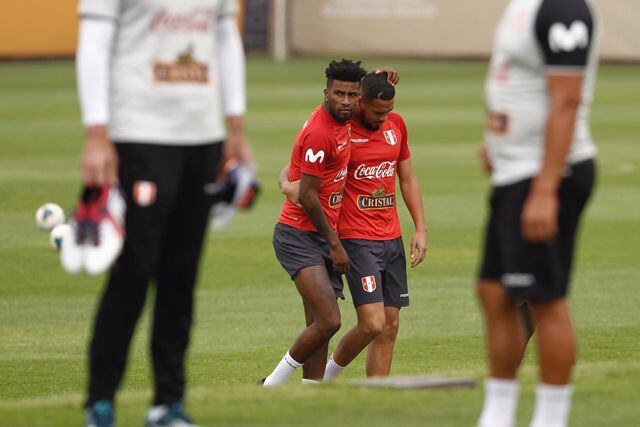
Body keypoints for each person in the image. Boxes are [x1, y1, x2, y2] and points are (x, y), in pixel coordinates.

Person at [75, 0, 252, 426]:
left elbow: (226, 37)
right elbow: (94, 41)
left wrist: (236, 127)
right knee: (132, 275)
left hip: (203, 138)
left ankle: (168, 404)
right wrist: (96, 134)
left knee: (181, 279)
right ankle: (101, 402)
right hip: (138, 134)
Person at [476, 1, 598, 426]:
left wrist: (546, 188)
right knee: (493, 292)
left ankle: (550, 418)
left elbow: (567, 99)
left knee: (544, 299)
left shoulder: (564, 8)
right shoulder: (522, 6)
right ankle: (498, 413)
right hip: (514, 170)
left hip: (546, 172)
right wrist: (497, 141)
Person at [280, 72, 428, 381]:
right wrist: (285, 183)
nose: (383, 118)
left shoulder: (396, 125)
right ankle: (326, 379)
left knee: (389, 326)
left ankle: (376, 395)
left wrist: (420, 228)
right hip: (356, 238)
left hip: (392, 237)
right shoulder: (342, 129)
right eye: (377, 112)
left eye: (388, 112)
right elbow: (302, 163)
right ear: (360, 102)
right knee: (372, 323)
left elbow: (408, 178)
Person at [259, 59, 367, 386]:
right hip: (299, 236)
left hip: (319, 235)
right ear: (326, 93)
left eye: (352, 95)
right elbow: (307, 196)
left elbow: (292, 172)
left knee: (318, 323)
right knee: (330, 321)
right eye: (339, 94)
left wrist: (382, 75)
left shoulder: (342, 119)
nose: (346, 101)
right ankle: (271, 386)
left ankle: (310, 393)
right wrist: (335, 245)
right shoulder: (321, 132)